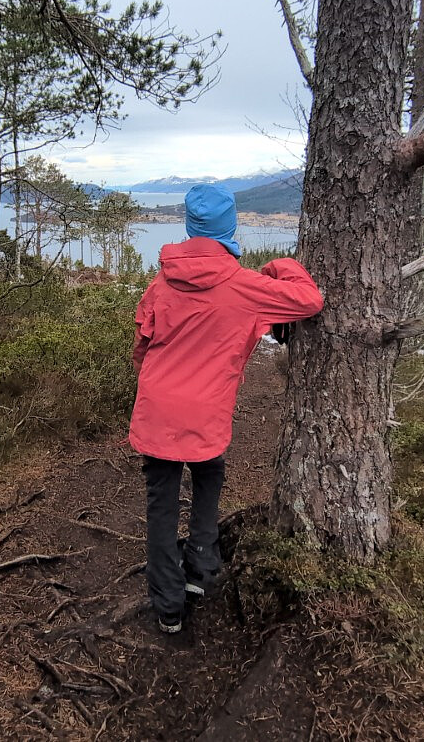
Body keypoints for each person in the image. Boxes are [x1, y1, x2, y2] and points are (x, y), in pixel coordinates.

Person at [128, 183, 325, 634]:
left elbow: (142, 344)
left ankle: (169, 609)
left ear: (190, 226)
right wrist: (279, 265)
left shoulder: (162, 280)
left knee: (161, 505)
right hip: (206, 414)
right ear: (230, 226)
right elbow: (309, 300)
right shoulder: (246, 286)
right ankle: (200, 570)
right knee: (209, 475)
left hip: (158, 409)